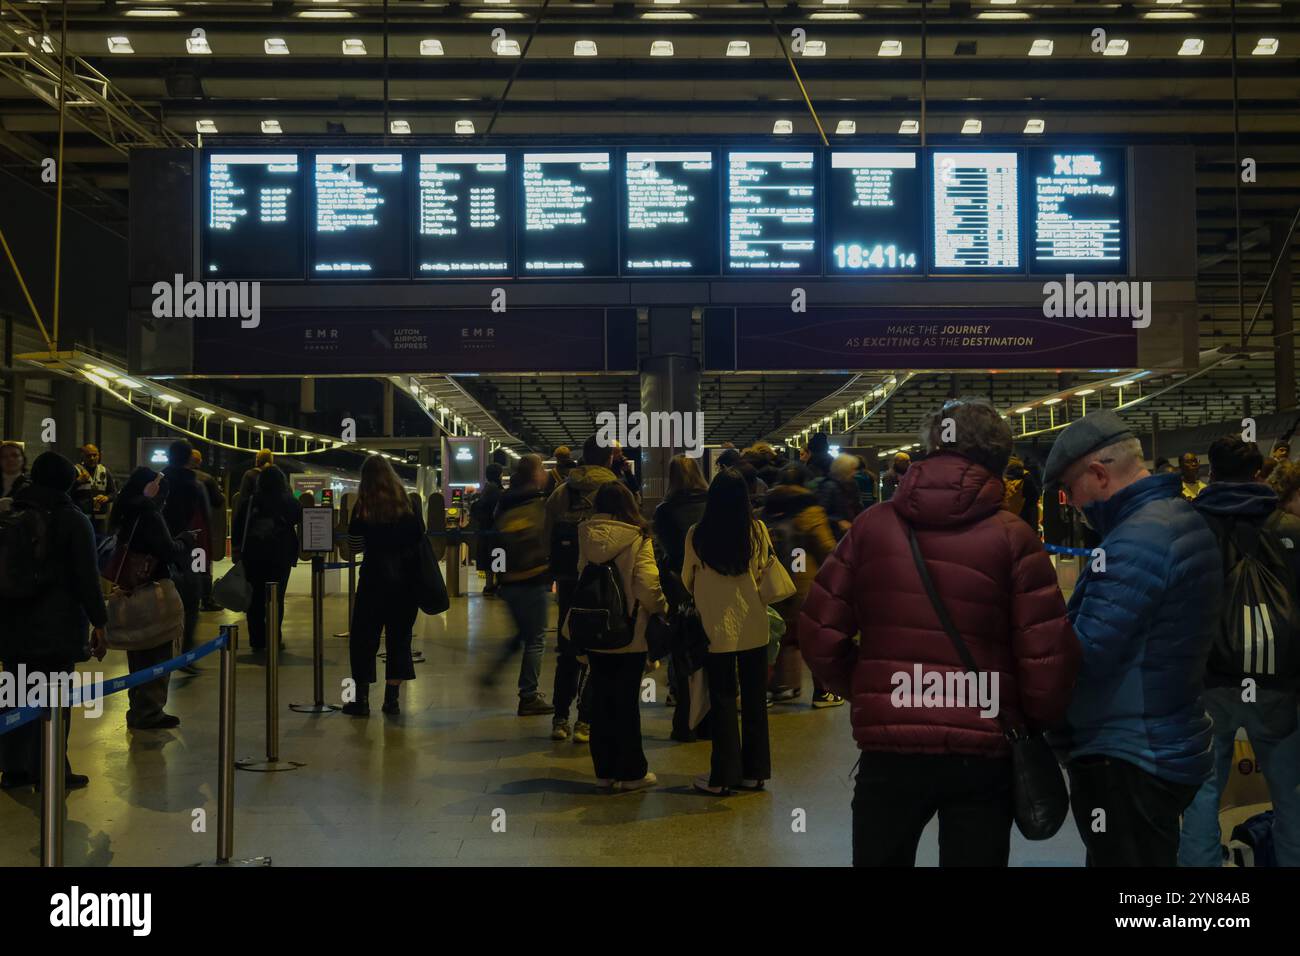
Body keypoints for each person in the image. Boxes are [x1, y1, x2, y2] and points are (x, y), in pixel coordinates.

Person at [799, 398, 1080, 866]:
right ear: (997, 457)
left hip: (888, 753)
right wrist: (1027, 719)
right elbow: (1046, 659)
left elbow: (820, 632)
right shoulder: (1015, 538)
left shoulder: (872, 526)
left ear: (932, 447)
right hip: (983, 752)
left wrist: (874, 690)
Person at [1042, 409, 1220, 867]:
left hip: (1128, 753)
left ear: (1098, 474)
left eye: (1070, 490)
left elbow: (1086, 655)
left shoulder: (1135, 541)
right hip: (1166, 734)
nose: (1071, 503)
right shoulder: (1178, 517)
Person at [1178, 436, 1300, 867]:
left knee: (1202, 793)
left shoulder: (1190, 527)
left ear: (1212, 473)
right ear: (1259, 474)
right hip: (1278, 683)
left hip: (1209, 678)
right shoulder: (1288, 528)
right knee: (1291, 797)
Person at [0, 452, 107, 790]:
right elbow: (87, 577)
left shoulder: (11, 513)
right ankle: (51, 770)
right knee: (53, 698)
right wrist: (100, 622)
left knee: (16, 694)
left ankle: (14, 769)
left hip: (12, 625)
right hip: (55, 627)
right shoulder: (73, 519)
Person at [683, 468, 794, 795]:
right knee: (755, 699)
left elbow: (687, 580)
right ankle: (755, 773)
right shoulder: (757, 531)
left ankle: (722, 776)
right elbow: (765, 577)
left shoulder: (696, 534)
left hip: (715, 627)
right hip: (753, 626)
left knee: (722, 699)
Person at [576, 481, 666, 792]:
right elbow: (646, 583)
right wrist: (660, 607)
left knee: (601, 700)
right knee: (627, 702)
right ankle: (631, 772)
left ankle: (604, 771)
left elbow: (580, 576)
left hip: (595, 627)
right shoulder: (638, 537)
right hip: (630, 631)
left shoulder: (585, 534)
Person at [543, 434, 619, 743]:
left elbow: (545, 532)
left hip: (568, 579)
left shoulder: (562, 492)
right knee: (598, 649)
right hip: (604, 579)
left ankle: (559, 718)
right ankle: (586, 721)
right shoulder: (616, 491)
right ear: (610, 459)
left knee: (568, 648)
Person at [107, 467, 192, 729]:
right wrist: (184, 541)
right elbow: (167, 550)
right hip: (152, 592)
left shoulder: (125, 510)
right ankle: (149, 712)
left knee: (138, 651)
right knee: (156, 651)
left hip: (130, 589)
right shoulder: (149, 514)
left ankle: (139, 709)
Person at [343, 455, 422, 717]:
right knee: (399, 639)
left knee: (364, 640)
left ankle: (361, 701)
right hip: (405, 584)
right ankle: (392, 701)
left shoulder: (363, 507)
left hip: (373, 581)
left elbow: (353, 548)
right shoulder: (408, 504)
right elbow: (419, 540)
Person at [762, 463, 842, 708]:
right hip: (803, 587)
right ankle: (822, 693)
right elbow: (828, 550)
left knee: (775, 638)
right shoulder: (810, 511)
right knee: (813, 639)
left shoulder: (764, 511)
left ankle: (769, 691)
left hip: (772, 586)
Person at [482, 453, 555, 716]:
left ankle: (493, 672)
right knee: (536, 638)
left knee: (522, 633)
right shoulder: (539, 503)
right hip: (532, 577)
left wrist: (499, 578)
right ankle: (528, 695)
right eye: (543, 470)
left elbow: (494, 539)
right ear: (535, 474)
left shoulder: (503, 502)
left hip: (509, 581)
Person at [652, 454, 710, 739]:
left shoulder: (664, 511)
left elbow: (663, 547)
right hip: (712, 582)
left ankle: (683, 713)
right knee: (710, 647)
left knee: (682, 647)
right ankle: (707, 716)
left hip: (678, 584)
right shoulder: (713, 504)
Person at [230, 464, 302, 654]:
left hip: (254, 557)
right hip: (281, 557)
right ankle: (273, 638)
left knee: (254, 599)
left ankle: (256, 639)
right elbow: (301, 517)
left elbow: (237, 529)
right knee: (276, 598)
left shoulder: (250, 501)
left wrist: (237, 550)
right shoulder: (290, 502)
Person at [160, 439, 211, 658]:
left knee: (158, 601)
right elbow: (206, 518)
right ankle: (187, 649)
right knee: (191, 600)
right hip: (185, 548)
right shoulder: (196, 484)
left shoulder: (158, 480)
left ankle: (162, 649)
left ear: (169, 457)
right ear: (189, 458)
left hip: (159, 547)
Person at [190, 448, 227, 612]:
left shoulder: (169, 476)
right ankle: (206, 599)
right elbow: (219, 501)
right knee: (201, 565)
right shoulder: (206, 479)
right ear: (199, 462)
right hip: (199, 529)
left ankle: (186, 597)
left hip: (177, 530)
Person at [470, 463, 504, 597]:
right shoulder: (497, 491)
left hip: (484, 529)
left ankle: (489, 585)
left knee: (488, 557)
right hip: (496, 530)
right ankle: (496, 585)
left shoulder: (485, 490)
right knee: (497, 556)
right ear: (499, 475)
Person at [73, 442, 117, 529]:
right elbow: (66, 492)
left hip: (99, 519)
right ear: (83, 456)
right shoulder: (76, 471)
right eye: (88, 456)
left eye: (94, 455)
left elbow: (113, 493)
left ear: (99, 455)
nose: (92, 458)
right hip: (81, 518)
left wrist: (106, 498)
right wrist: (77, 481)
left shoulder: (104, 471)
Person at [1002, 455, 1042, 533]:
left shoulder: (1003, 478)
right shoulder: (1026, 476)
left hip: (1006, 519)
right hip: (1024, 518)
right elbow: (1035, 499)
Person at [0, 440, 29, 507]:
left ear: (23, 459)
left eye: (15, 455)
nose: (10, 459)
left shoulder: (30, 484)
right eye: (4, 456)